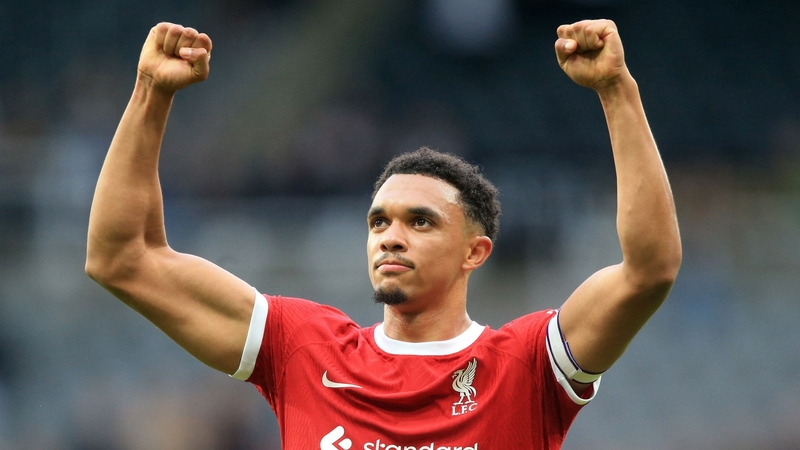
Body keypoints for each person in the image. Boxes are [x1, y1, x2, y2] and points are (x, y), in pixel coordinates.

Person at [86, 19, 681, 449]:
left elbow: (648, 270)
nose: (390, 237)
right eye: (379, 221)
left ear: (476, 252)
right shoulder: (305, 351)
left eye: (420, 221)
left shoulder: (526, 367)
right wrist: (151, 93)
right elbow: (122, 260)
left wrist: (616, 91)